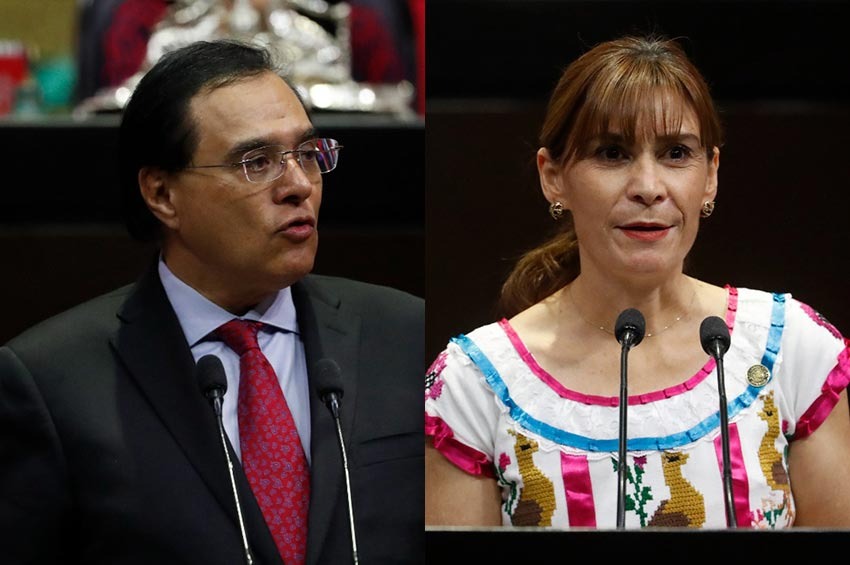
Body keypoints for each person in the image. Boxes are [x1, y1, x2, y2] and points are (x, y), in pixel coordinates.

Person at [0, 39, 423, 563]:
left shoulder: (405, 335)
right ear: (162, 194)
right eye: (256, 162)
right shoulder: (49, 383)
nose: (298, 185)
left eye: (308, 155)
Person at [424, 34, 850, 529]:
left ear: (711, 175)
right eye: (612, 153)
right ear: (552, 176)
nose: (648, 188)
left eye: (676, 153)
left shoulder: (791, 348)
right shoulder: (474, 385)